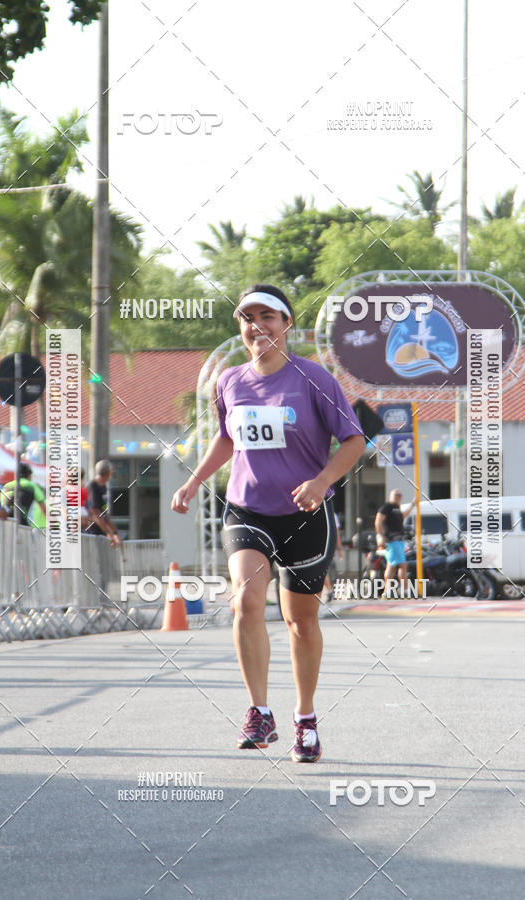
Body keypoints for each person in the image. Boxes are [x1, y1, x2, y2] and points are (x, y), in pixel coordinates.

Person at [172, 283, 365, 763]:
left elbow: (353, 441)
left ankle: (305, 719)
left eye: (268, 317)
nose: (256, 326)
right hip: (248, 509)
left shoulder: (316, 379)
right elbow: (224, 440)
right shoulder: (229, 381)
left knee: (301, 620)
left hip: (305, 514)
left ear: (286, 324)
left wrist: (321, 481)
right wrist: (194, 481)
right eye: (247, 318)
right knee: (247, 601)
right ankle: (259, 710)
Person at [375, 489, 416, 597]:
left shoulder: (397, 508)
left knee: (392, 565)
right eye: (396, 495)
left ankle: (390, 591)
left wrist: (412, 505)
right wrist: (382, 536)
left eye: (400, 495)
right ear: (390, 496)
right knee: (402, 565)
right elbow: (378, 521)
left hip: (398, 540)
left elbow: (402, 516)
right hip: (392, 540)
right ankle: (403, 590)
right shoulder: (386, 507)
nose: (398, 497)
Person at [84, 460, 122, 546]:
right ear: (107, 472)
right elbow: (95, 513)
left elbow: (105, 514)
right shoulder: (93, 486)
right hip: (92, 532)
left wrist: (115, 534)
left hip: (101, 532)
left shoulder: (103, 486)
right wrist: (109, 533)